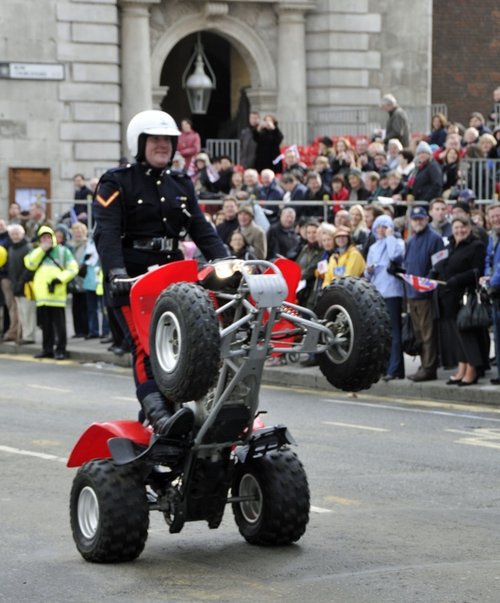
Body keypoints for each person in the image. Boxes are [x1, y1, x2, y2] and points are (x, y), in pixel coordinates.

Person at [92, 109, 228, 437]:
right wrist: (116, 273)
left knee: (184, 347)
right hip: (133, 279)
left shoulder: (180, 183)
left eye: (167, 140)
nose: (162, 145)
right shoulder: (117, 181)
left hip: (173, 277)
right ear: (139, 143)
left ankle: (186, 410)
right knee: (147, 347)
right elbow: (106, 232)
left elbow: (201, 228)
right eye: (154, 139)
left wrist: (228, 262)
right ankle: (158, 415)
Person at [433, 216, 486, 386]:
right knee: (457, 336)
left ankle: (473, 370)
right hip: (448, 297)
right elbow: (442, 265)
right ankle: (462, 367)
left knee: (467, 334)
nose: (459, 230)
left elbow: (478, 271)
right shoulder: (449, 246)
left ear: (469, 228)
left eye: (463, 227)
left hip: (465, 296)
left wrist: (457, 279)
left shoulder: (476, 246)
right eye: (456, 227)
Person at [24, 225, 78, 359]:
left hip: (57, 294)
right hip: (42, 295)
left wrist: (59, 279)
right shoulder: (37, 251)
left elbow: (73, 268)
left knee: (59, 325)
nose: (46, 240)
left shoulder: (62, 251)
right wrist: (41, 250)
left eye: (48, 237)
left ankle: (61, 349)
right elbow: (29, 264)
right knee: (45, 325)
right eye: (43, 238)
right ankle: (47, 349)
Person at [403, 206, 444, 382]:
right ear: (411, 221)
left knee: (428, 334)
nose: (418, 222)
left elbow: (440, 263)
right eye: (415, 219)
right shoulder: (411, 241)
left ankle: (429, 368)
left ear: (426, 219)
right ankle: (424, 364)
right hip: (412, 293)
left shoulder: (434, 238)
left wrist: (430, 278)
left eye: (421, 219)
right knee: (419, 334)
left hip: (426, 294)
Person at [365, 215, 406, 380]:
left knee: (394, 332)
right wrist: (368, 271)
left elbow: (395, 256)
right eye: (378, 227)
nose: (381, 230)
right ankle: (385, 366)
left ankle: (395, 368)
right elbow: (367, 275)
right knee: (383, 332)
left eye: (384, 226)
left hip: (392, 292)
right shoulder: (373, 247)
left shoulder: (397, 242)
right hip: (377, 293)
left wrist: (390, 236)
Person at [6, 224, 37, 344]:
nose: (15, 236)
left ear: (23, 234)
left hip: (26, 285)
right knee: (22, 312)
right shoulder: (12, 248)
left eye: (17, 233)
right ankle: (24, 335)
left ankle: (29, 336)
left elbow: (29, 268)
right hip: (16, 285)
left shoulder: (27, 248)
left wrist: (21, 282)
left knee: (28, 311)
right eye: (12, 234)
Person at [483, 202, 500, 384]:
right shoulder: (491, 237)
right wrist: (486, 278)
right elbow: (488, 260)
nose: (496, 219)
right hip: (495, 293)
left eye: (498, 215)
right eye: (493, 216)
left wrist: (492, 282)